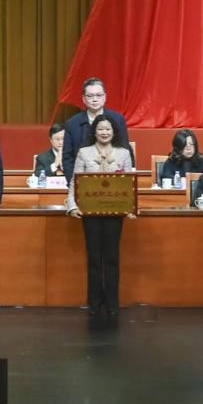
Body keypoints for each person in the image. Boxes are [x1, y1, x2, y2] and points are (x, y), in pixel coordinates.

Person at [67, 114, 135, 316]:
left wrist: (130, 207)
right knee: (94, 258)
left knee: (112, 257)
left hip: (115, 213)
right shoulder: (84, 153)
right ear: (94, 132)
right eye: (100, 129)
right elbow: (74, 182)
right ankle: (94, 302)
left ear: (114, 132)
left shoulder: (124, 153)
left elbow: (129, 184)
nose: (104, 132)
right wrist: (72, 206)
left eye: (108, 129)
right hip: (90, 213)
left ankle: (112, 302)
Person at [61, 77, 132, 183]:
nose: (94, 99)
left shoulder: (118, 119)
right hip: (83, 182)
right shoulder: (72, 124)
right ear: (83, 99)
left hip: (115, 181)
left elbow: (125, 148)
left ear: (105, 97)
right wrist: (75, 183)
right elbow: (68, 158)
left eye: (99, 95)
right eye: (90, 96)